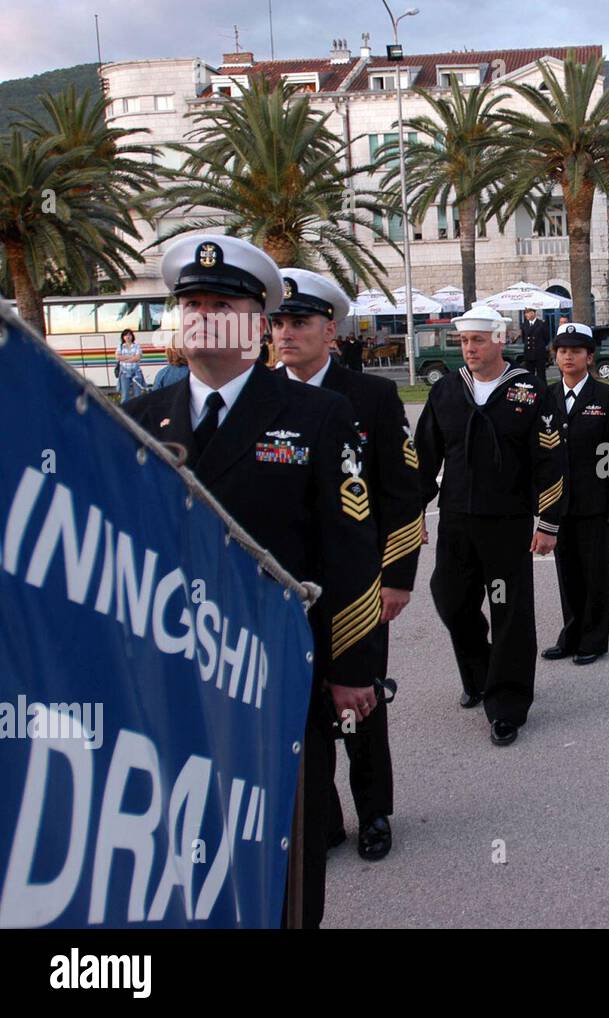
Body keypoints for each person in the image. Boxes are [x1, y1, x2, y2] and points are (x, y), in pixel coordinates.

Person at [124, 235, 384, 929]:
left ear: (256, 321)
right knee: (182, 830)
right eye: (192, 304)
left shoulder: (316, 416)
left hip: (274, 665)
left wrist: (352, 666)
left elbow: (350, 547)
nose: (204, 316)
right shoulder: (145, 418)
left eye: (223, 304)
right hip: (173, 664)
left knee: (285, 833)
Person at [272, 268, 424, 863]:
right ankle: (323, 816)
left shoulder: (373, 398)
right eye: (278, 323)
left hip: (356, 587)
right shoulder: (261, 399)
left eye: (300, 323)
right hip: (286, 589)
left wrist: (397, 577)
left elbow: (402, 492)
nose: (286, 334)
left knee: (358, 704)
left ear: (329, 329)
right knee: (301, 708)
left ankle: (374, 812)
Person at [415, 304, 566, 746]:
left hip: (507, 523)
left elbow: (551, 460)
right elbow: (424, 458)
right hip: (457, 522)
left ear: (500, 340)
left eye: (478, 340)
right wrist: (414, 513)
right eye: (464, 341)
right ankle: (481, 675)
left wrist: (548, 521)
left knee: (509, 612)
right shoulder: (446, 391)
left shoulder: (529, 391)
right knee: (451, 598)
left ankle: (506, 704)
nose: (469, 349)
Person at [541, 323, 609, 665]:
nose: (568, 357)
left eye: (576, 351)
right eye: (562, 351)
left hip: (595, 502)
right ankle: (571, 634)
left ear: (589, 357)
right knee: (568, 573)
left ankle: (593, 639)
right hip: (558, 502)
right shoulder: (546, 396)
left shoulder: (606, 397)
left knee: (594, 574)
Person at [116, 328, 147, 401]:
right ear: (123, 337)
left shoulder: (137, 346)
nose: (128, 336)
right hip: (124, 372)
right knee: (125, 395)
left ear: (132, 336)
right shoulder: (120, 346)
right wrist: (131, 357)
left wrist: (125, 359)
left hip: (136, 372)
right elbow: (118, 357)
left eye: (129, 335)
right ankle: (123, 410)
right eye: (126, 335)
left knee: (137, 394)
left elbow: (138, 358)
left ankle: (137, 411)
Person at [520, 307, 550, 380]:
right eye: (525, 313)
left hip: (539, 353)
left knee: (541, 374)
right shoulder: (524, 324)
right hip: (529, 353)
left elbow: (546, 338)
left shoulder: (541, 323)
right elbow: (524, 339)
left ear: (533, 313)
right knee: (530, 375)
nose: (526, 315)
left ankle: (543, 390)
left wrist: (540, 346)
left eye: (528, 313)